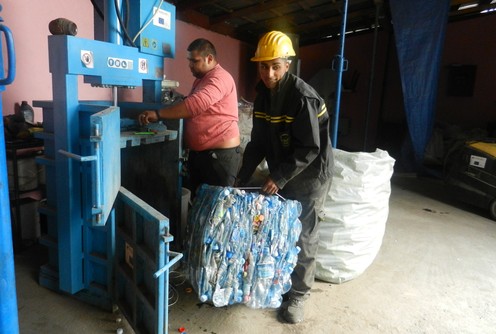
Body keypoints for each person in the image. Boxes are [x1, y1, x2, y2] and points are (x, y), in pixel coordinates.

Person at [236, 31, 334, 324]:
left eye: (275, 65)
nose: (268, 73)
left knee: (303, 235)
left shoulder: (303, 97)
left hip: (311, 173)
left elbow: (310, 147)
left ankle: (299, 295)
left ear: (287, 64)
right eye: (263, 66)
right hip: (287, 171)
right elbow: (258, 143)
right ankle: (278, 282)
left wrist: (278, 177)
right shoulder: (263, 97)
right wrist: (240, 178)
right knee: (279, 231)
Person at [139, 38, 241, 195]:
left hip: (219, 159)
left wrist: (158, 114)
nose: (190, 65)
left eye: (195, 61)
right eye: (189, 61)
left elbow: (195, 105)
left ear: (210, 59)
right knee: (197, 209)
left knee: (216, 213)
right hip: (202, 157)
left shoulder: (219, 78)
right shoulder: (201, 80)